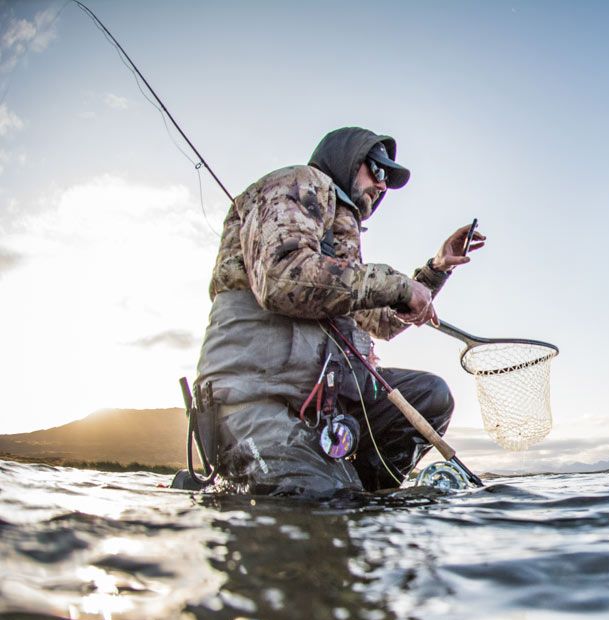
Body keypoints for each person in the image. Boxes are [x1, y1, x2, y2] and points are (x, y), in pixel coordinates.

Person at [190, 126, 483, 496]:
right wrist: (398, 285)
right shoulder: (298, 183)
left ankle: (364, 491)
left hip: (323, 405)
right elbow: (283, 279)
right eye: (377, 171)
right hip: (252, 400)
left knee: (431, 396)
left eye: (387, 182)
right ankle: (333, 489)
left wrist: (436, 270)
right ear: (346, 158)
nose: (381, 187)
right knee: (322, 501)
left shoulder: (342, 245)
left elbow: (382, 320)